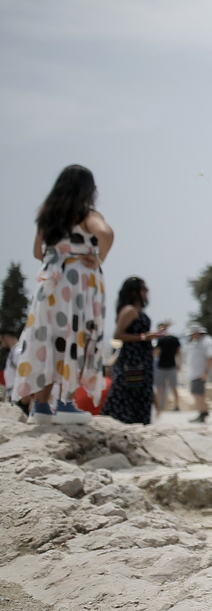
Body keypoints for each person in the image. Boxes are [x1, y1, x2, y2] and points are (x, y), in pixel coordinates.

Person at [12, 165, 112, 425]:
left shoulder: (47, 216)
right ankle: (67, 402)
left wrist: (59, 254)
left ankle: (41, 406)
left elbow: (37, 252)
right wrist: (97, 256)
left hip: (49, 284)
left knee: (48, 340)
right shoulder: (85, 214)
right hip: (76, 284)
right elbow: (105, 233)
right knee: (75, 337)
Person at [106, 277, 170, 425]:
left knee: (140, 395)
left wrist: (154, 333)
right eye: (143, 289)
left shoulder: (138, 310)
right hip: (132, 361)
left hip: (141, 360)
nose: (146, 292)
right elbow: (118, 335)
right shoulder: (129, 310)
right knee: (129, 395)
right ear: (135, 292)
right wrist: (144, 337)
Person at [183, 324, 212, 422]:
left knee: (198, 393)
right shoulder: (195, 342)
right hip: (194, 372)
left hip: (200, 372)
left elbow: (211, 357)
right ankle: (202, 411)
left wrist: (206, 372)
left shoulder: (207, 342)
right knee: (196, 392)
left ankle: (202, 412)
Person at [153, 331, 182, 413]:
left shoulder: (160, 340)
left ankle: (159, 407)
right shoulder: (175, 339)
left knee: (159, 388)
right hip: (172, 366)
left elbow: (157, 352)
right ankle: (176, 405)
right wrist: (179, 363)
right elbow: (179, 352)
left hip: (161, 367)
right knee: (174, 387)